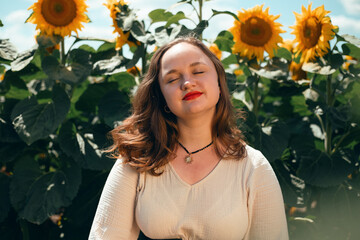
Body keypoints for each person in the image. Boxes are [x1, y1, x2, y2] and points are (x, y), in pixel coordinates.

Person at [89, 36, 289, 240]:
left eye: (199, 71)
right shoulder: (137, 160)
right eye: (172, 79)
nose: (187, 83)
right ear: (163, 98)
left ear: (220, 84)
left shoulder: (254, 168)